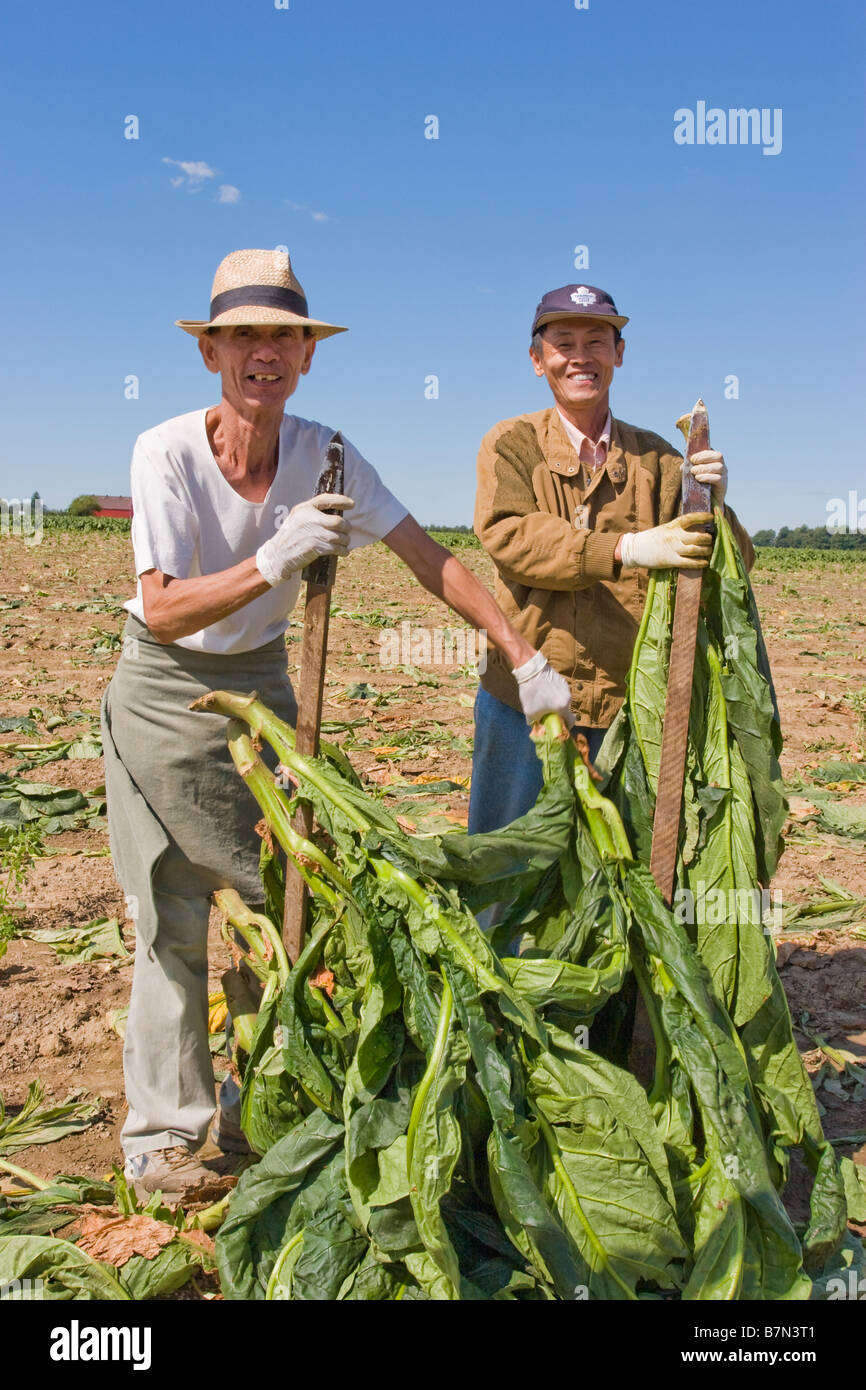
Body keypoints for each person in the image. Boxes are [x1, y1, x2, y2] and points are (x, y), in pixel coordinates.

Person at [102, 248, 573, 1202]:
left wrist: (520, 655)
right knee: (171, 911)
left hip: (264, 687)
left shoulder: (328, 451)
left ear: (308, 356)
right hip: (161, 686)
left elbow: (422, 556)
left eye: (283, 336)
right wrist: (274, 557)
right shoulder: (165, 452)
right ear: (212, 355)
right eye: (242, 337)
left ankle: (258, 1094)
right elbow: (160, 609)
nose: (263, 353)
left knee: (285, 900)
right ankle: (162, 1134)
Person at [468, 282, 755, 835]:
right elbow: (511, 537)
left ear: (618, 355)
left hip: (631, 708)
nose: (581, 356)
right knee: (504, 870)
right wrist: (627, 547)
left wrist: (718, 506)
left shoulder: (661, 460)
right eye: (563, 342)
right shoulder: (511, 443)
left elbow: (732, 567)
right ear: (537, 360)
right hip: (525, 700)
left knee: (617, 875)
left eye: (597, 341)